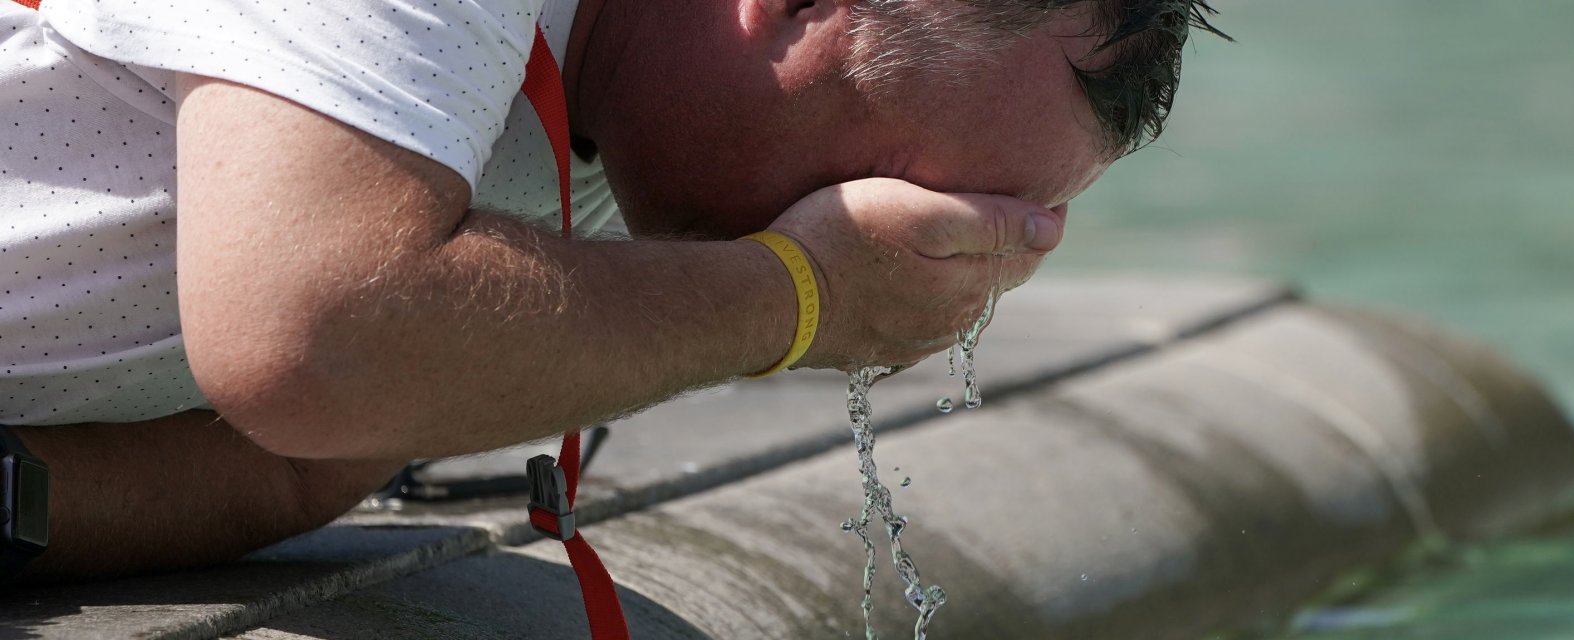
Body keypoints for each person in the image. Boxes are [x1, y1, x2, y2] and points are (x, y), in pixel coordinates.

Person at [0, 0, 1222, 580]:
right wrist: (790, 292)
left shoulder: (609, 130)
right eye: (890, 187)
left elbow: (294, 460)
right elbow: (317, 337)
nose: (900, 246)